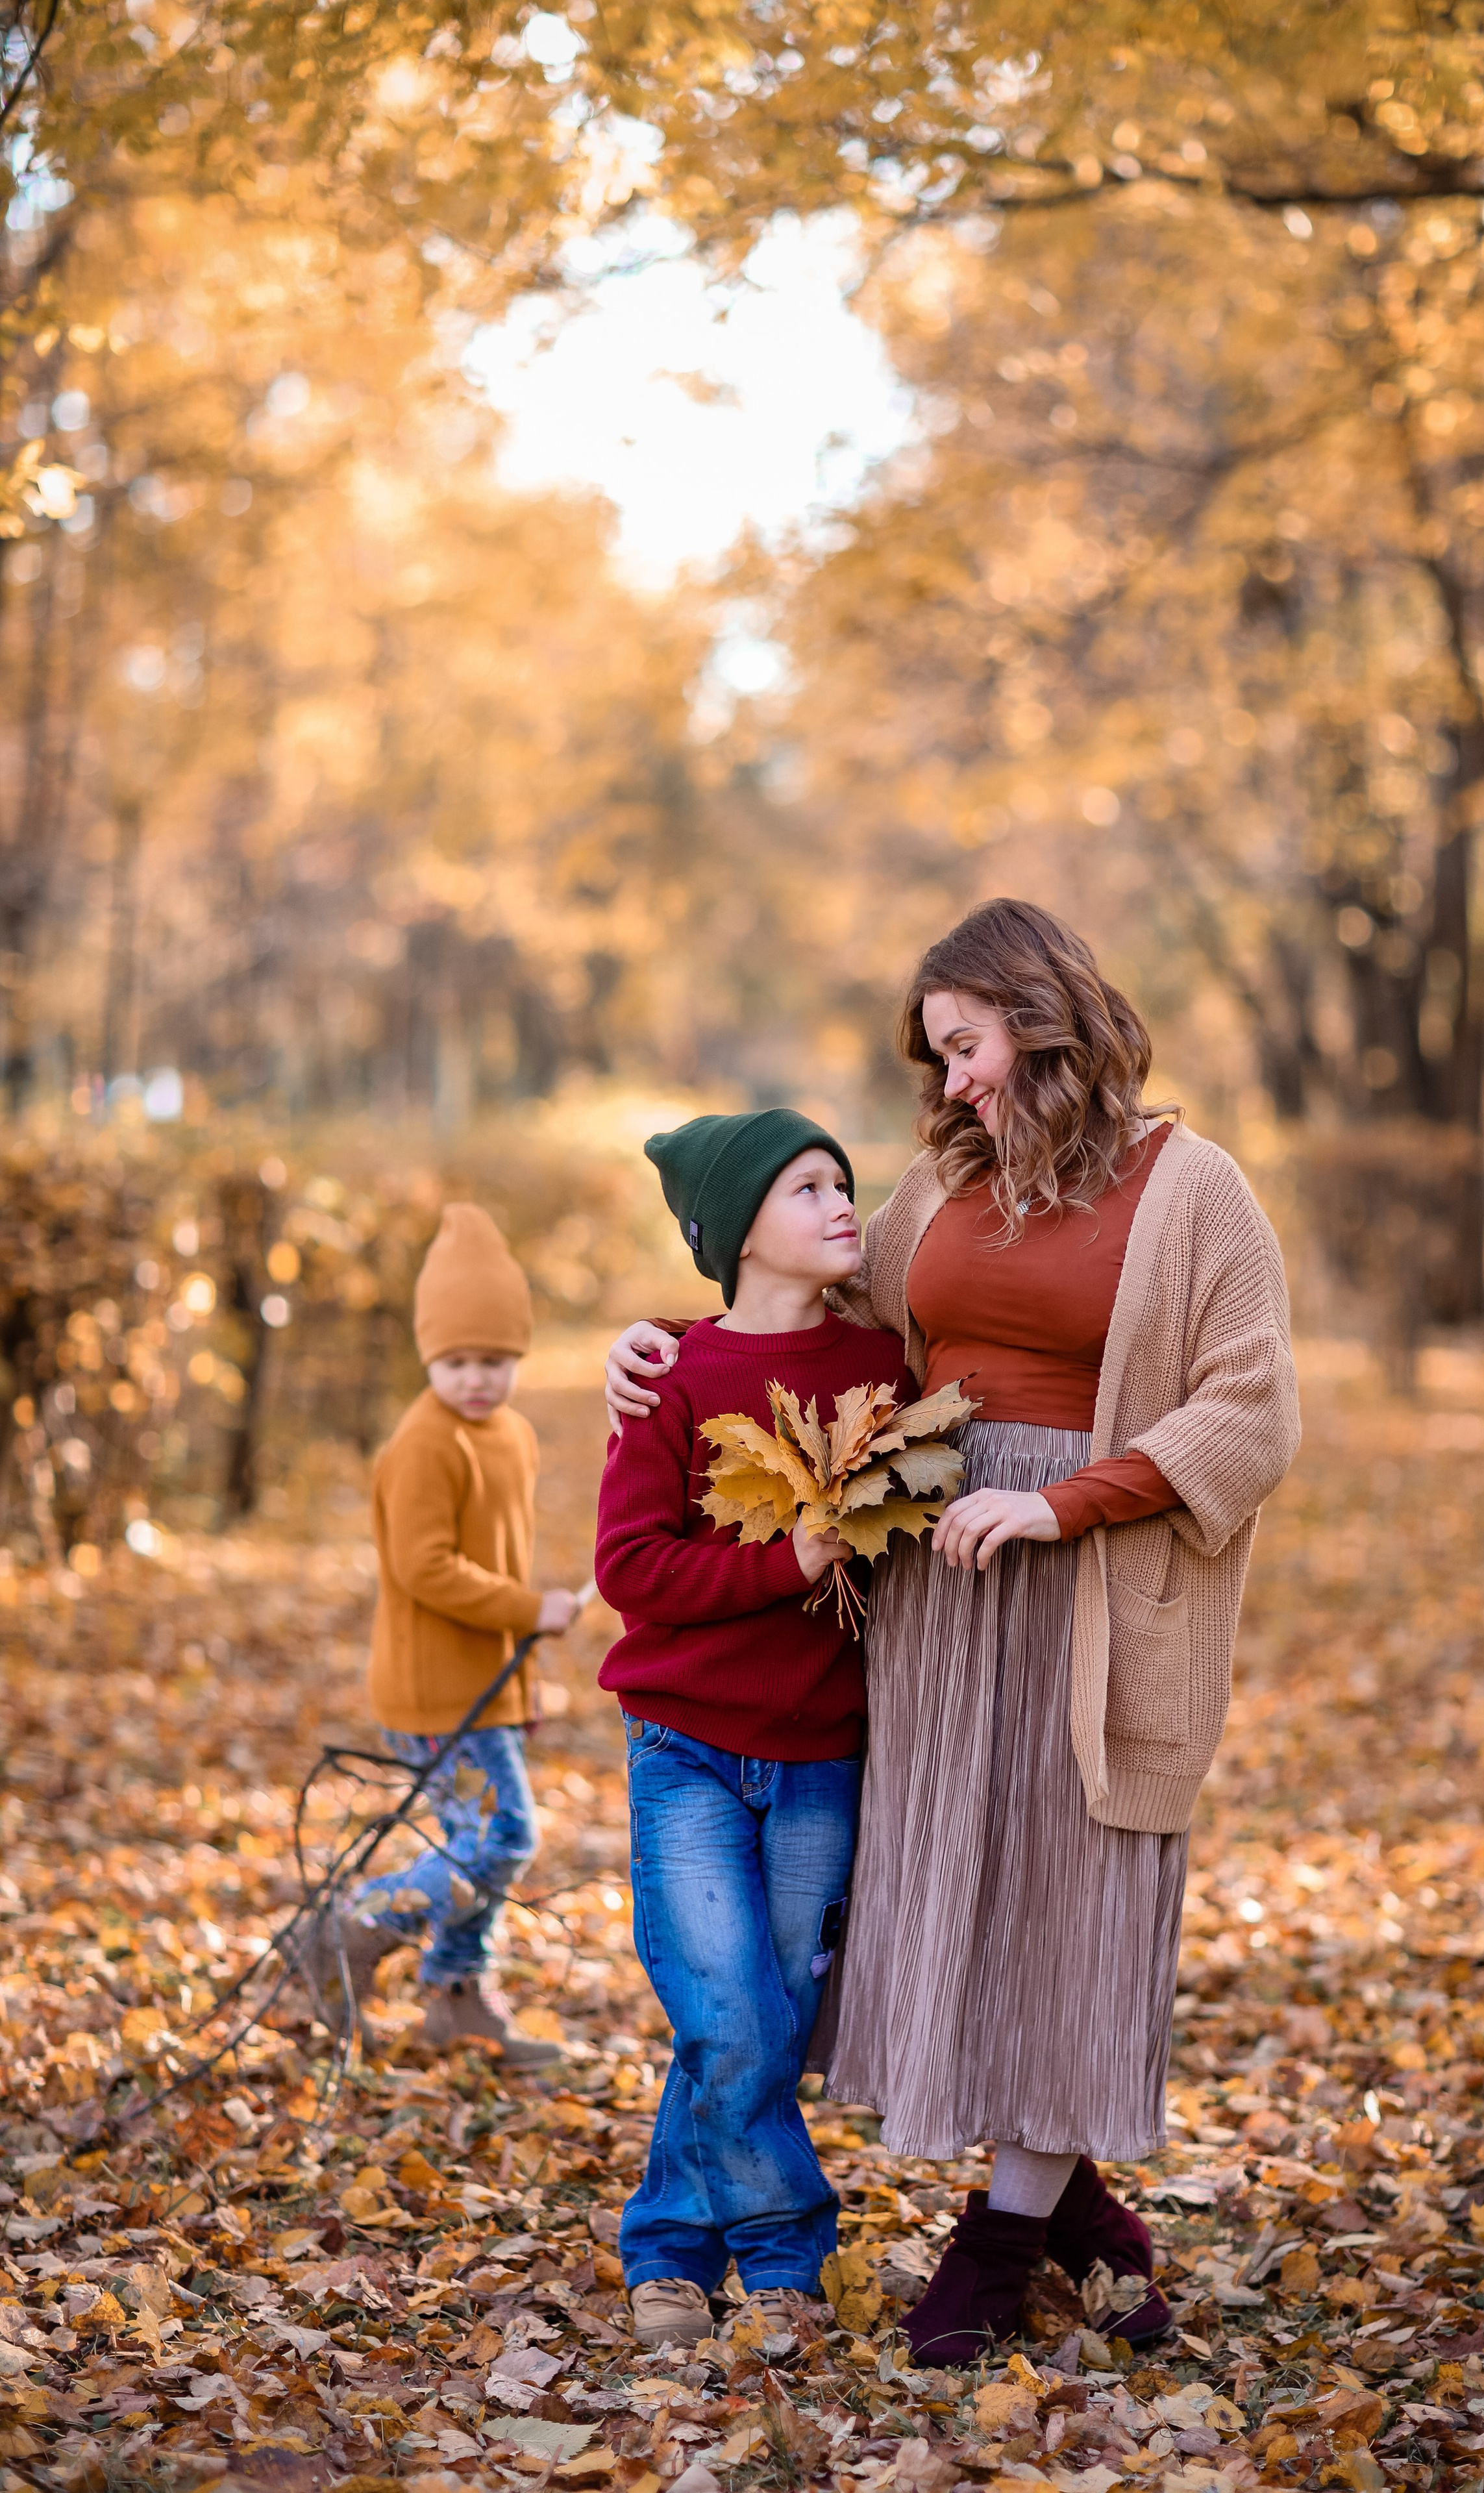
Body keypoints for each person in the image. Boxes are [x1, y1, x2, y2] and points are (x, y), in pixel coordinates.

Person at [604, 900, 1300, 2363]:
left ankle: (992, 2250)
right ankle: (1078, 2217)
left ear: (1042, 1021)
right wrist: (654, 1343)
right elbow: (795, 1297)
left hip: (1090, 1589)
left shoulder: (1194, 1189)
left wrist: (1066, 1507)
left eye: (969, 1047)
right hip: (930, 1593)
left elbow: (1248, 1411)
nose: (956, 1081)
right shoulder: (942, 1182)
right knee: (963, 1904)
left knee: (1074, 1905)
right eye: (940, 1059)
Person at [594, 1108, 913, 2353]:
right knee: (729, 2013)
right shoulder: (670, 1377)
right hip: (684, 1750)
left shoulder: (883, 1369)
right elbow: (632, 1568)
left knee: (768, 2011)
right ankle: (784, 2260)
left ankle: (670, 2245)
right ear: (736, 1233)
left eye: (846, 1179)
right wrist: (791, 1561)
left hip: (822, 1755)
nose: (843, 1205)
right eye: (808, 1189)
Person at [303, 1204, 580, 2068]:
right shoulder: (423, 1444)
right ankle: (351, 1927)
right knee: (501, 1839)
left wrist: (521, 1690)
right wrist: (531, 1611)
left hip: (484, 1687)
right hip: (434, 1689)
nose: (477, 1380)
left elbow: (497, 1551)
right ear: (429, 1357)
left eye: (495, 1362)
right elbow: (427, 1568)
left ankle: (458, 1999)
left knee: (487, 1839)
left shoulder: (512, 1436)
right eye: (457, 1362)